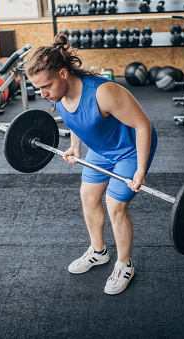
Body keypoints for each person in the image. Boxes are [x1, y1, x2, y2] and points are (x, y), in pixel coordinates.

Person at [25, 34, 158, 295]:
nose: (43, 94)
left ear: (63, 73)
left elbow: (143, 125)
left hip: (129, 150)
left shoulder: (103, 92)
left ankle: (124, 263)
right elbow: (76, 120)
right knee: (88, 195)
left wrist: (140, 170)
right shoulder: (58, 95)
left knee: (115, 205)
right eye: (38, 88)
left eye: (46, 86)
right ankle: (98, 252)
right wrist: (75, 147)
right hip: (100, 149)